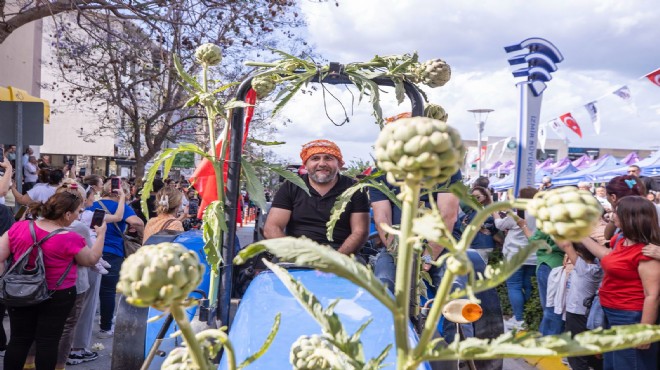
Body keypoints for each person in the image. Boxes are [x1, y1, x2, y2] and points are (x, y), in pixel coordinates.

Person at [0, 191, 106, 369]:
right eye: (78, 212)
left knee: (19, 339)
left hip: (19, 290)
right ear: (67, 214)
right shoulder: (70, 238)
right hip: (58, 294)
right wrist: (101, 234)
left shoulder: (20, 227)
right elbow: (90, 260)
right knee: (48, 341)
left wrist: (5, 279)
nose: (78, 216)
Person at [581, 196, 660, 370]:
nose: (611, 215)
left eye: (616, 211)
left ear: (629, 217)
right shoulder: (621, 241)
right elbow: (609, 257)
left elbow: (652, 295)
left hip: (630, 317)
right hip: (613, 314)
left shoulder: (647, 252)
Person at [264, 139, 369, 255]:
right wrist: (294, 256)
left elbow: (360, 231)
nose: (322, 163)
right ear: (306, 164)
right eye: (315, 158)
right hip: (296, 253)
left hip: (342, 254)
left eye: (328, 158)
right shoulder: (291, 186)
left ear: (338, 164)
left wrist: (336, 260)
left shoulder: (354, 189)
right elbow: (272, 228)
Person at [87, 179, 144, 338]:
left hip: (90, 250)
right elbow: (136, 222)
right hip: (113, 252)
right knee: (108, 292)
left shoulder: (93, 204)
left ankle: (81, 331)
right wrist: (142, 235)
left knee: (88, 291)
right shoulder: (123, 207)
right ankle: (105, 328)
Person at [493, 187, 538, 331]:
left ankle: (519, 319)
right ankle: (527, 316)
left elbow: (500, 225)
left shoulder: (518, 214)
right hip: (533, 256)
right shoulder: (540, 213)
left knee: (514, 286)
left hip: (514, 256)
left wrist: (494, 211)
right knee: (528, 285)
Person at [556, 240, 603, 370]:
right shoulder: (598, 265)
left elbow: (565, 245)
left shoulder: (584, 269)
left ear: (578, 254)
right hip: (588, 314)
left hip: (577, 314)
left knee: (576, 355)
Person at [453, 186, 498, 263]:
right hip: (478, 244)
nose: (474, 199)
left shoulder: (484, 209)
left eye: (478, 197)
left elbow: (491, 225)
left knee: (477, 270)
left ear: (485, 197)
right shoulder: (475, 209)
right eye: (472, 197)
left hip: (481, 245)